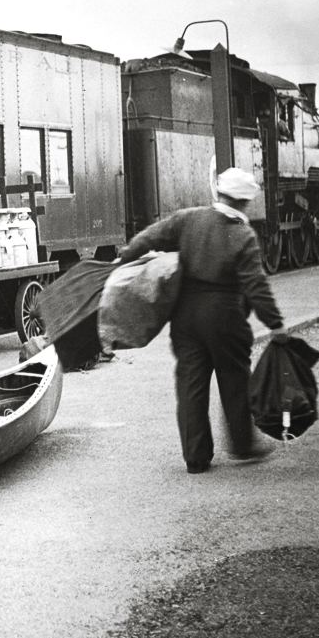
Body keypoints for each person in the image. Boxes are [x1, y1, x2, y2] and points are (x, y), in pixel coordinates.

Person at [119, 167, 286, 475]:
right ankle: (243, 446)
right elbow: (256, 285)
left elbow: (150, 236)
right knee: (234, 379)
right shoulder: (242, 234)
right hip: (225, 313)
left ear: (219, 193)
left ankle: (195, 458)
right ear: (244, 201)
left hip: (185, 313)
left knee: (190, 383)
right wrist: (275, 323)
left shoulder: (189, 218)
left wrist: (125, 257)